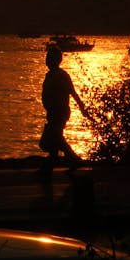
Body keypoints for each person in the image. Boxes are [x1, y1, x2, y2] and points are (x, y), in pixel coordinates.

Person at [39, 43, 89, 173]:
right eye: (46, 58)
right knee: (55, 139)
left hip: (59, 112)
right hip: (54, 112)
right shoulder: (51, 75)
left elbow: (73, 92)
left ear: (55, 60)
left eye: (49, 58)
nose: (46, 61)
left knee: (56, 138)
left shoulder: (61, 75)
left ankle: (74, 159)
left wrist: (82, 108)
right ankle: (51, 166)